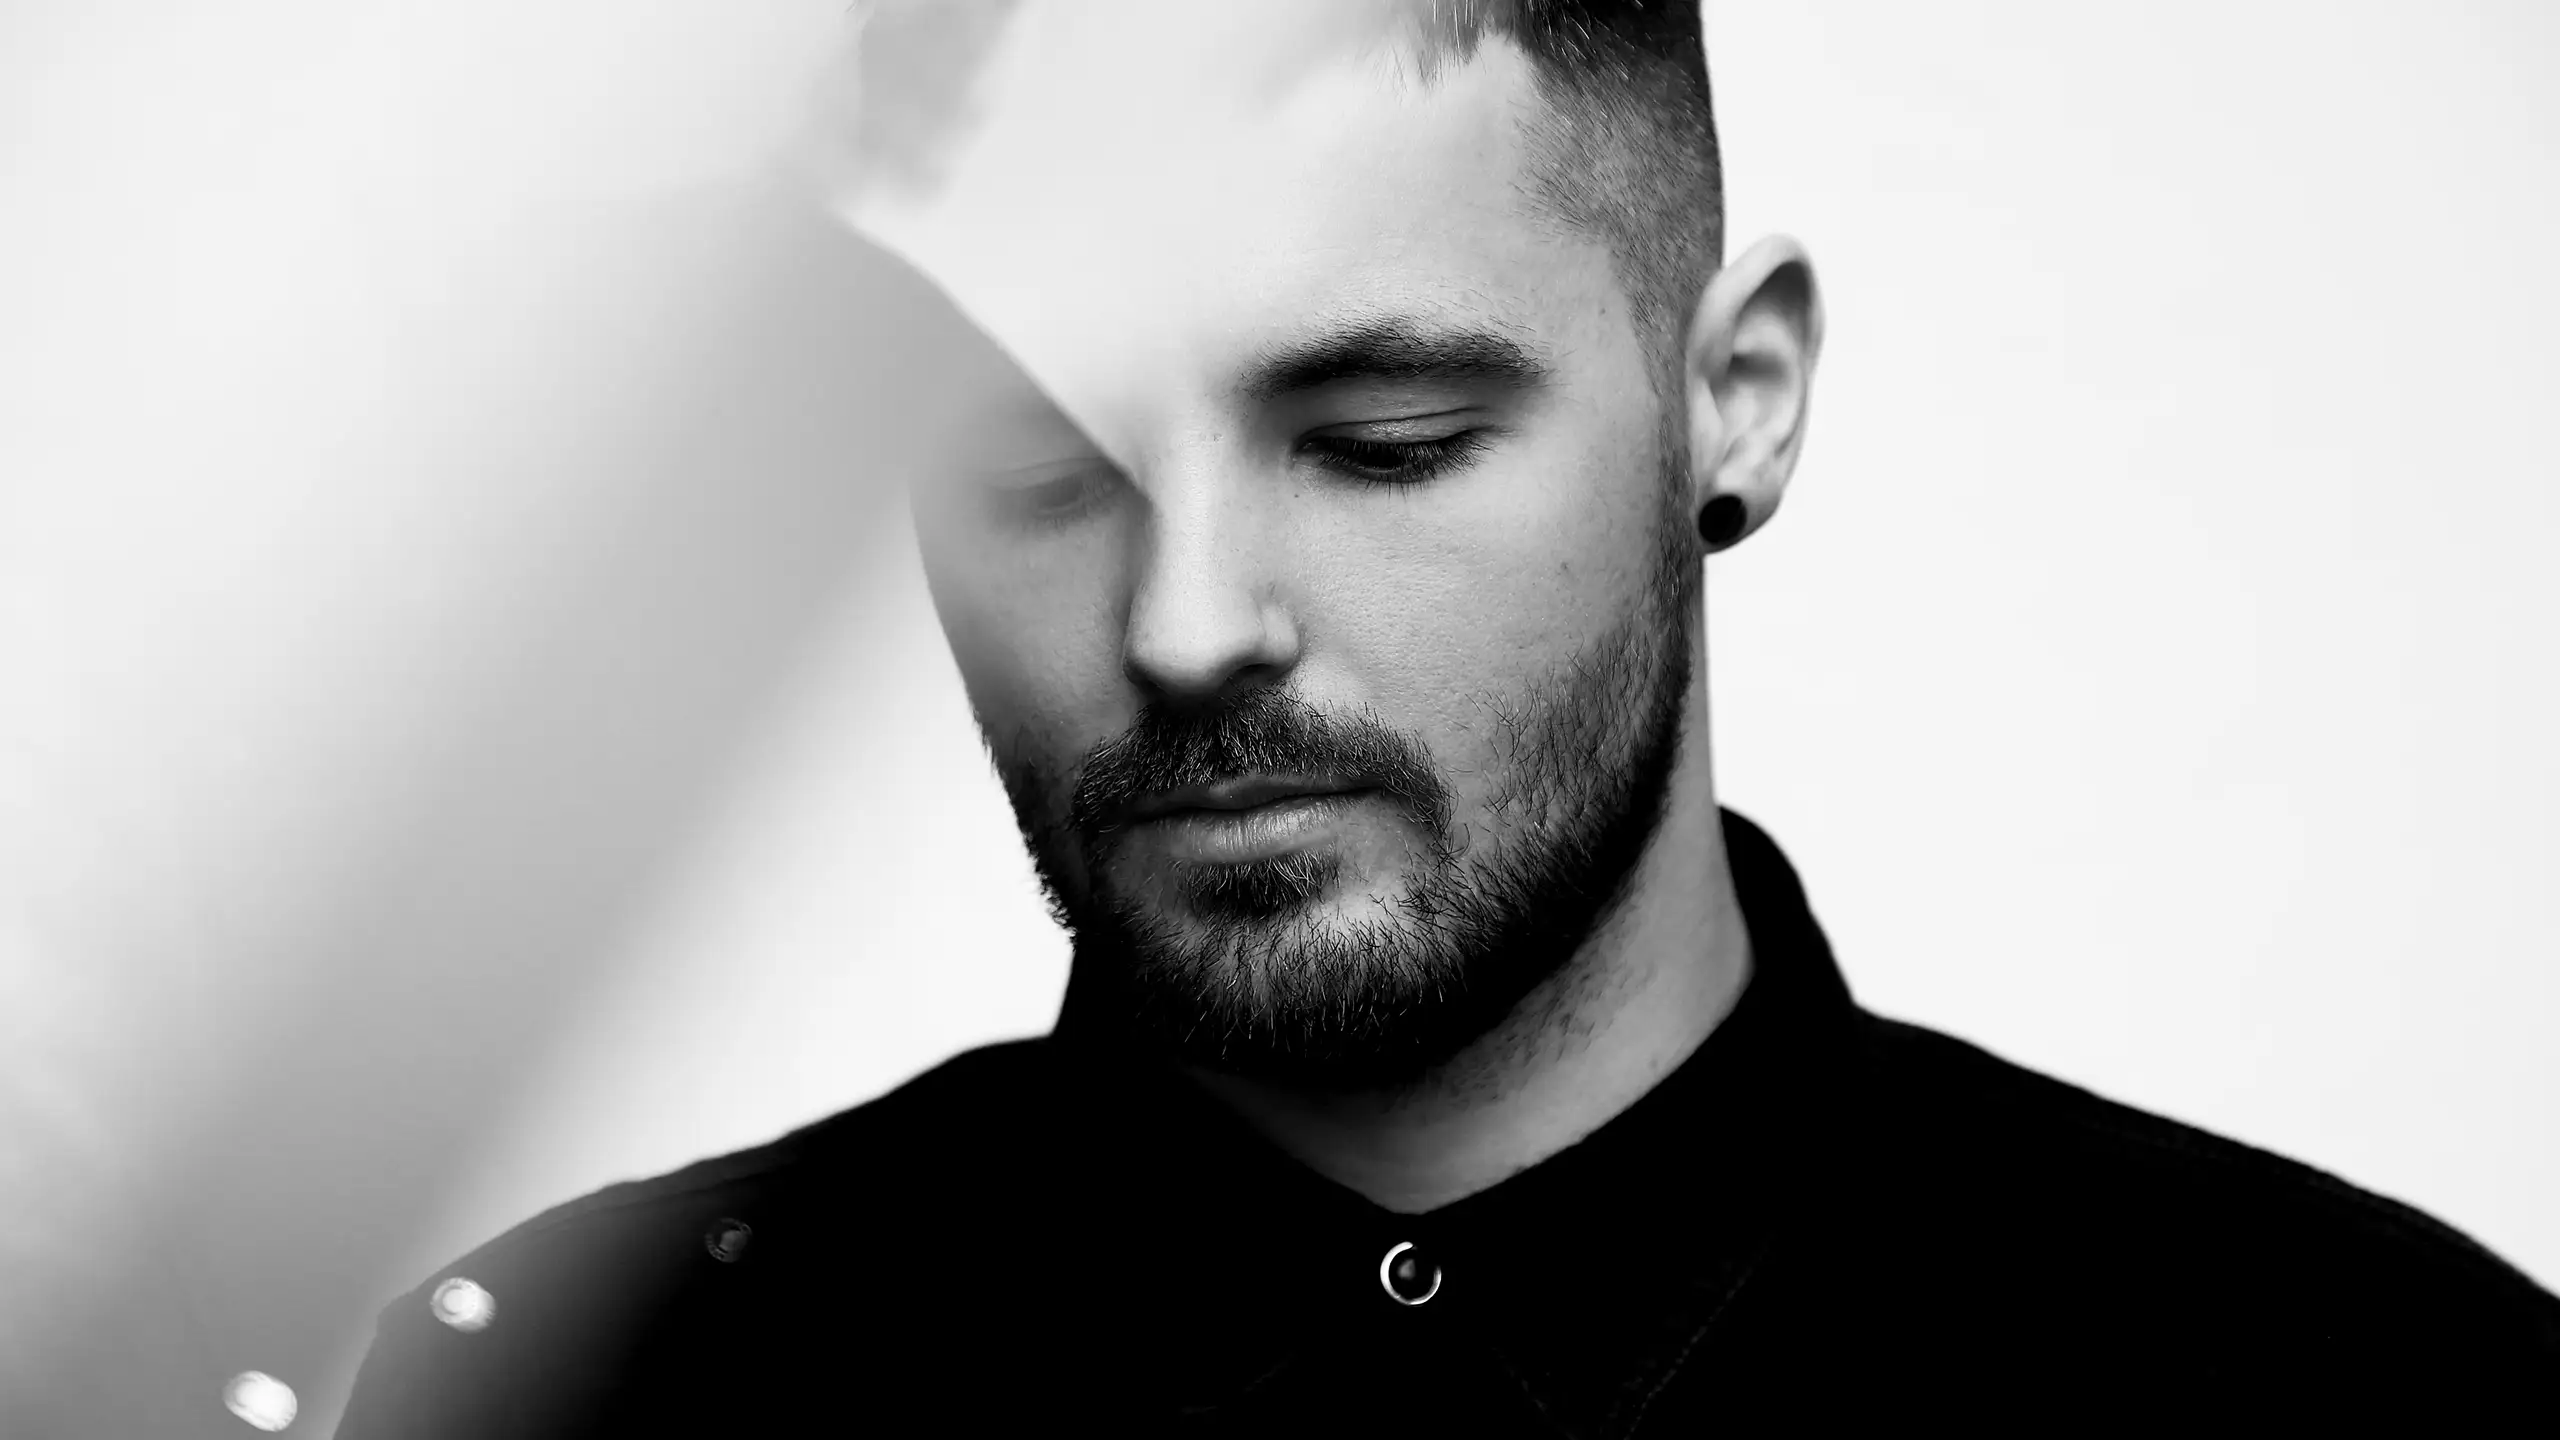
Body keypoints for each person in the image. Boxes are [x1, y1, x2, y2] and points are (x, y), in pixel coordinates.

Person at [336, 3, 2560, 1432]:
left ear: (1735, 402)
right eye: (1033, 470)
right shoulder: (563, 1396)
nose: (1189, 622)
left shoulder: (2376, 1418)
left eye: (1385, 435)